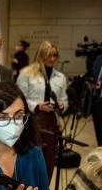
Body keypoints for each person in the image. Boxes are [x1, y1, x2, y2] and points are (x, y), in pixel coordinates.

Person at [16, 40, 69, 181]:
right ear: (41, 55)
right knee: (31, 159)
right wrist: (37, 106)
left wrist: (62, 105)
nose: (52, 59)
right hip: (32, 121)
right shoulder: (26, 73)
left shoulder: (61, 77)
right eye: (48, 55)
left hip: (52, 124)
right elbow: (19, 99)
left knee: (48, 161)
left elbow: (64, 98)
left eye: (55, 56)